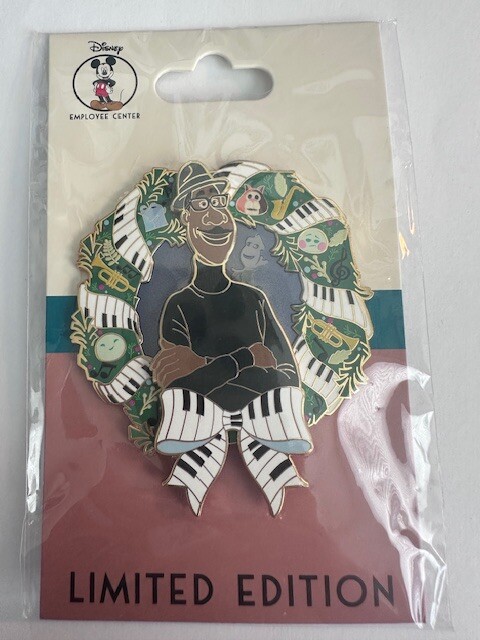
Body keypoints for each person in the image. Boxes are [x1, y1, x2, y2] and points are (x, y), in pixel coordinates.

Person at [152, 161, 312, 516]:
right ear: (186, 222)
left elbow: (287, 375)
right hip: (200, 425)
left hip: (264, 423)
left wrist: (205, 367)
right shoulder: (179, 305)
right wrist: (248, 358)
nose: (215, 217)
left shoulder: (253, 298)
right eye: (200, 204)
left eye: (218, 203)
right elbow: (178, 386)